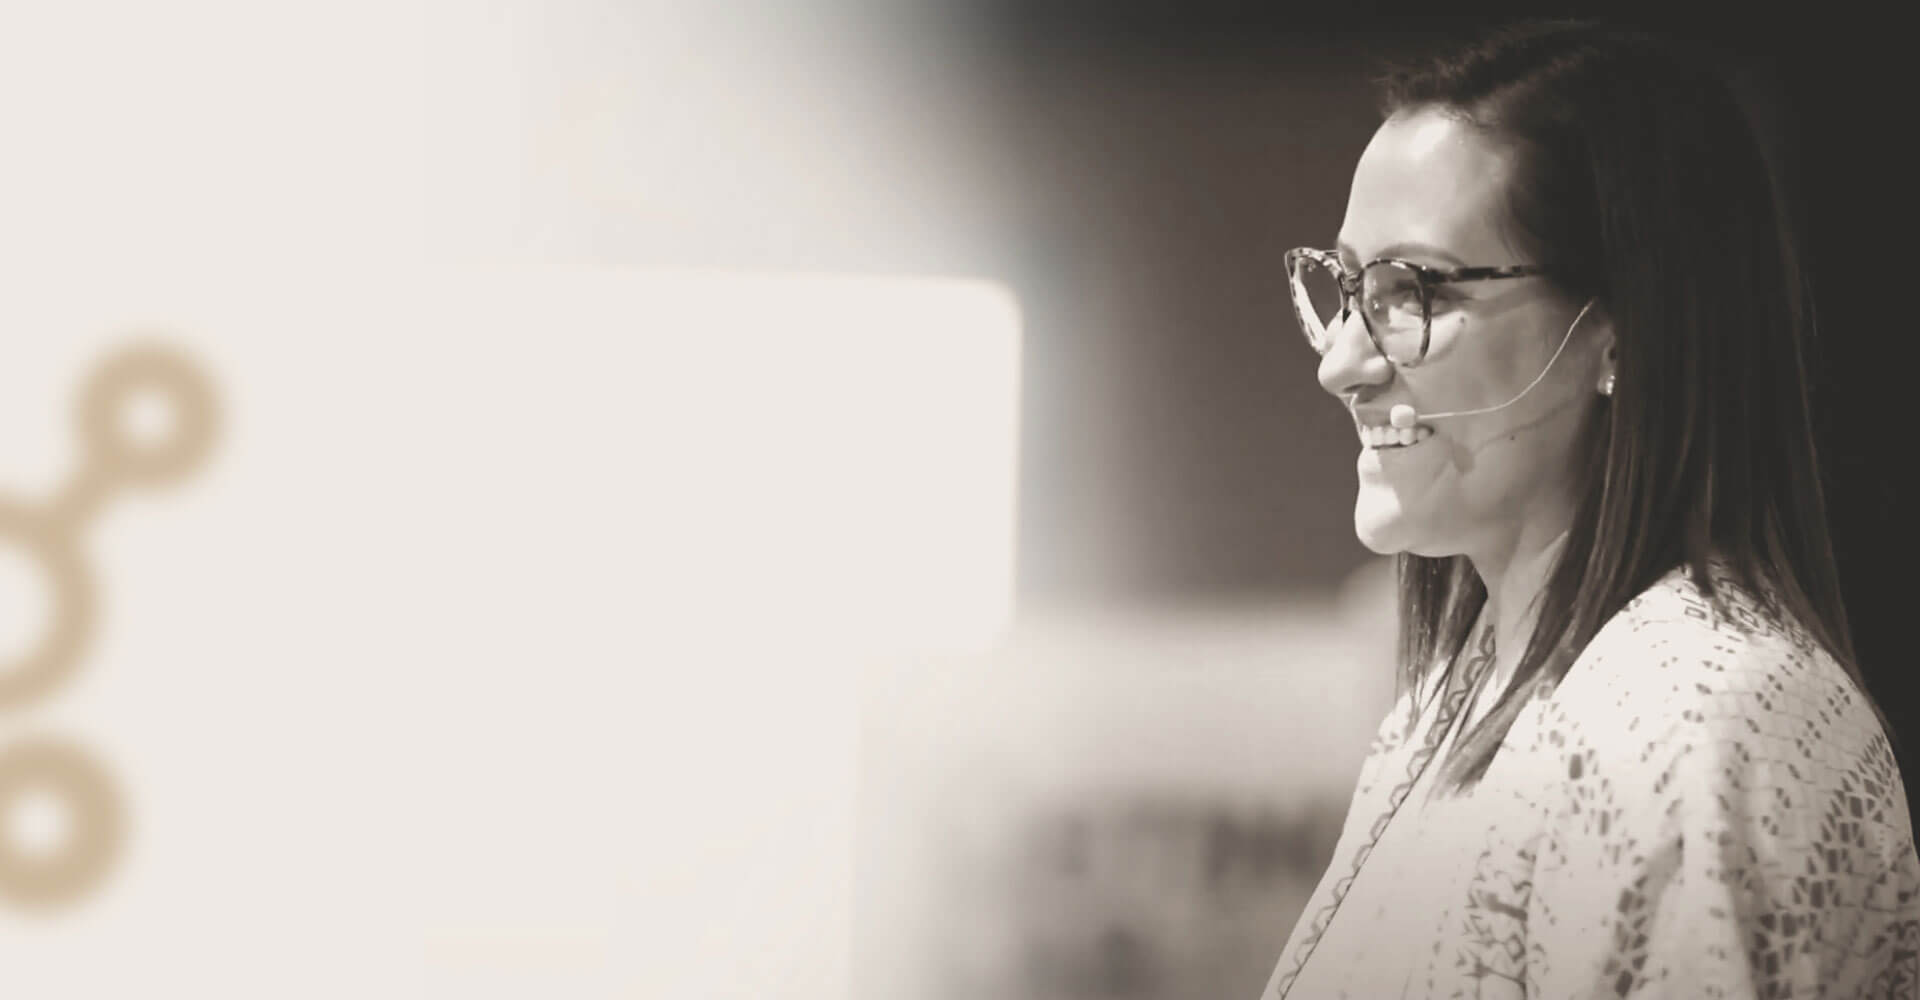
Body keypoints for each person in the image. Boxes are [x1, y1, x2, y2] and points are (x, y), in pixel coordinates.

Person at [1261, 19, 1920, 999]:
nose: (1341, 362)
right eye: (1349, 287)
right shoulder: (1450, 700)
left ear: (1619, 332)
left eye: (1412, 291)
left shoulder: (1695, 720)